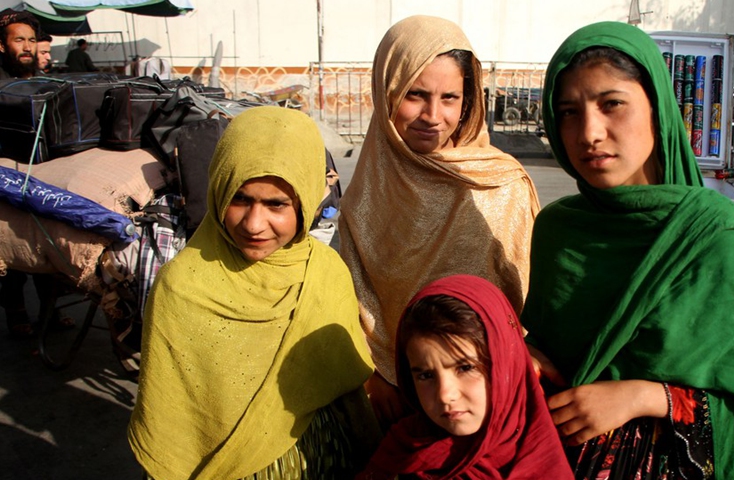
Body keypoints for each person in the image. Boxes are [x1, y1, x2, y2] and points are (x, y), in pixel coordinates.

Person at [521, 21, 734, 478]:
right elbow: (553, 357)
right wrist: (525, 358)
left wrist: (643, 396)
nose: (589, 132)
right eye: (568, 112)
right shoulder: (558, 231)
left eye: (612, 104)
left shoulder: (713, 237)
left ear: (658, 109)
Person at [128, 106, 380, 479]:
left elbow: (347, 384)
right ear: (217, 191)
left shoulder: (325, 271)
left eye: (276, 204)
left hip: (323, 457)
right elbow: (172, 417)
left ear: (306, 200)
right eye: (240, 199)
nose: (254, 224)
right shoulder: (181, 287)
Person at [339, 14, 539, 428]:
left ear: (469, 101)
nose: (433, 115)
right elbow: (349, 300)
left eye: (450, 97)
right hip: (393, 402)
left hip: (489, 399)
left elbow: (527, 306)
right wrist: (371, 372)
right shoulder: (366, 192)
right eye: (415, 94)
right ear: (386, 91)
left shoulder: (501, 183)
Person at [358, 274, 572, 479]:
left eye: (465, 368)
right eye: (425, 375)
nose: (445, 395)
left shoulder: (546, 461)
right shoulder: (402, 451)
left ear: (506, 366)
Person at [0, 8, 39, 79]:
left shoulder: (47, 81)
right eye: (19, 40)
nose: (27, 48)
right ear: (2, 46)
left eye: (32, 41)